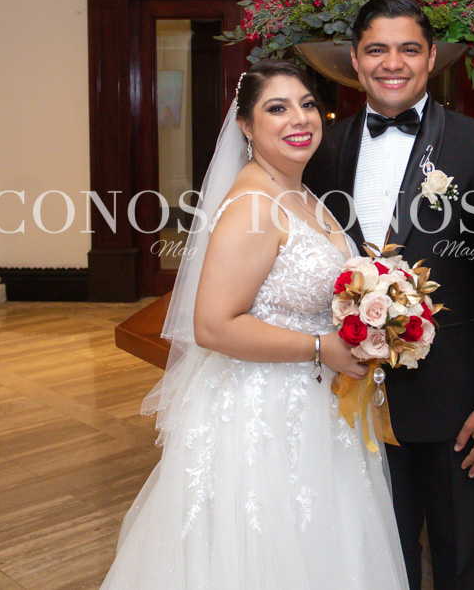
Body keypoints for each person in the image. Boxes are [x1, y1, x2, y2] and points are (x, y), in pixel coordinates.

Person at [102, 60, 408, 589]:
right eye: (277, 108)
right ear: (246, 125)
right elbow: (213, 326)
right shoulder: (252, 204)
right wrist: (322, 347)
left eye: (307, 104)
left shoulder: (301, 193)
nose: (299, 119)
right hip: (262, 413)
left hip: (316, 408)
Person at [307, 0, 474, 589]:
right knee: (377, 556)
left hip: (455, 399)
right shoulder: (324, 149)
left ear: (432, 57)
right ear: (355, 60)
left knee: (464, 556)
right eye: (376, 49)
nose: (393, 63)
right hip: (354, 396)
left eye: (409, 49)